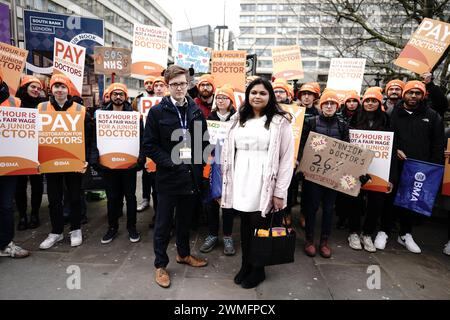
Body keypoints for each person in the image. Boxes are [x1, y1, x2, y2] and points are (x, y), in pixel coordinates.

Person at [220, 78, 294, 289]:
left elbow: (287, 159)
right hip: (241, 176)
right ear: (247, 96)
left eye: (262, 93)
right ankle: (246, 265)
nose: (257, 97)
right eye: (254, 93)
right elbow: (227, 151)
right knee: (244, 224)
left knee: (259, 225)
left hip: (264, 180)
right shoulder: (237, 119)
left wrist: (280, 191)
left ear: (269, 96)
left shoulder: (280, 122)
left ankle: (258, 269)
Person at [143, 65, 209, 288]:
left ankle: (183, 254)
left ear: (188, 83)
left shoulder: (196, 110)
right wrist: (170, 161)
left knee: (184, 221)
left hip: (190, 177)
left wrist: (200, 164)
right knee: (163, 224)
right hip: (168, 177)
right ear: (167, 86)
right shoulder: (157, 112)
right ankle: (160, 265)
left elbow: (203, 141)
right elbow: (149, 145)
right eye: (174, 84)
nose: (179, 88)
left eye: (182, 83)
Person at [388, 80, 445, 253]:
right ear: (404, 94)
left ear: (423, 95)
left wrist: (432, 168)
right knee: (389, 199)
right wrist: (394, 149)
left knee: (410, 201)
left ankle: (406, 234)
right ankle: (384, 230)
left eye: (417, 93)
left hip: (419, 168)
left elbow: (437, 143)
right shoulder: (392, 112)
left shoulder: (433, 116)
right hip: (395, 165)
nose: (413, 96)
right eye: (410, 92)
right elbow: (386, 135)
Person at [38, 74, 90, 249]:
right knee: (54, 199)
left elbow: (88, 137)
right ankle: (56, 231)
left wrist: (86, 160)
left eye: (63, 87)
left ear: (68, 90)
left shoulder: (80, 110)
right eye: (56, 86)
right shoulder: (41, 108)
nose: (59, 90)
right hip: (51, 162)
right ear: (51, 89)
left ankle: (76, 229)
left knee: (75, 197)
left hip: (73, 162)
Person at [90, 83, 144, 244]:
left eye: (121, 94)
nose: (118, 97)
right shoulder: (100, 115)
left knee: (131, 197)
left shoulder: (135, 116)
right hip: (108, 165)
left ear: (126, 97)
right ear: (110, 96)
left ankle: (132, 227)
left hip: (129, 165)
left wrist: (140, 160)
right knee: (112, 198)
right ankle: (112, 228)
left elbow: (142, 139)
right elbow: (95, 139)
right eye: (115, 94)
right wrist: (95, 160)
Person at [299, 90, 349, 258]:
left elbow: (347, 149)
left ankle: (325, 242)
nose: (329, 106)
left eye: (332, 104)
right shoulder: (311, 122)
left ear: (337, 106)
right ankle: (309, 240)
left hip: (333, 174)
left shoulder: (343, 125)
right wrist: (301, 162)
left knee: (328, 209)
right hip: (313, 174)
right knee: (311, 208)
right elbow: (302, 145)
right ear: (321, 106)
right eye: (326, 104)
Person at [347, 87, 393, 252]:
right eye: (367, 100)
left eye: (374, 100)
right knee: (355, 201)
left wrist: (390, 176)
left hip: (379, 169)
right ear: (363, 102)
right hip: (357, 168)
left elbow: (391, 146)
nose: (370, 103)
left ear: (379, 102)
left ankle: (367, 234)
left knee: (376, 203)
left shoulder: (387, 119)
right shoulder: (355, 118)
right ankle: (353, 232)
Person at [200, 85, 237, 255]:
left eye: (225, 97)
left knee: (228, 203)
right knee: (210, 202)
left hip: (231, 167)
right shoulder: (208, 118)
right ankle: (213, 234)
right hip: (211, 166)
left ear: (231, 101)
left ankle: (228, 236)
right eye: (219, 97)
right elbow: (202, 142)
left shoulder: (238, 120)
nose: (221, 100)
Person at [0, 69, 30, 258]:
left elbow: (25, 130)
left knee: (5, 205)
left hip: (8, 163)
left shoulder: (15, 102)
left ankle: (5, 244)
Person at [14, 76, 45, 230]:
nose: (36, 90)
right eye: (33, 87)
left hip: (38, 150)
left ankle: (34, 214)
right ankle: (22, 216)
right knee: (19, 185)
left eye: (38, 88)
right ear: (25, 87)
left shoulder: (42, 106)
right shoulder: (15, 103)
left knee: (37, 184)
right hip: (18, 150)